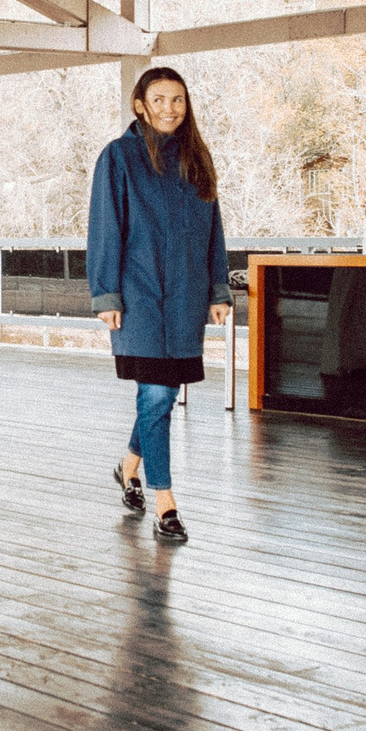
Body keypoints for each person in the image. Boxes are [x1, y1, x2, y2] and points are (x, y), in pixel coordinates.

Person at [89, 68, 231, 544]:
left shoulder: (197, 158)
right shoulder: (119, 157)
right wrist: (105, 294)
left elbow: (214, 229)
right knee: (154, 395)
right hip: (138, 297)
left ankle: (128, 466)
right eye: (159, 99)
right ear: (140, 104)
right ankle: (165, 502)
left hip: (187, 298)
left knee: (163, 395)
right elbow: (105, 227)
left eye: (178, 99)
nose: (169, 108)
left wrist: (218, 289)